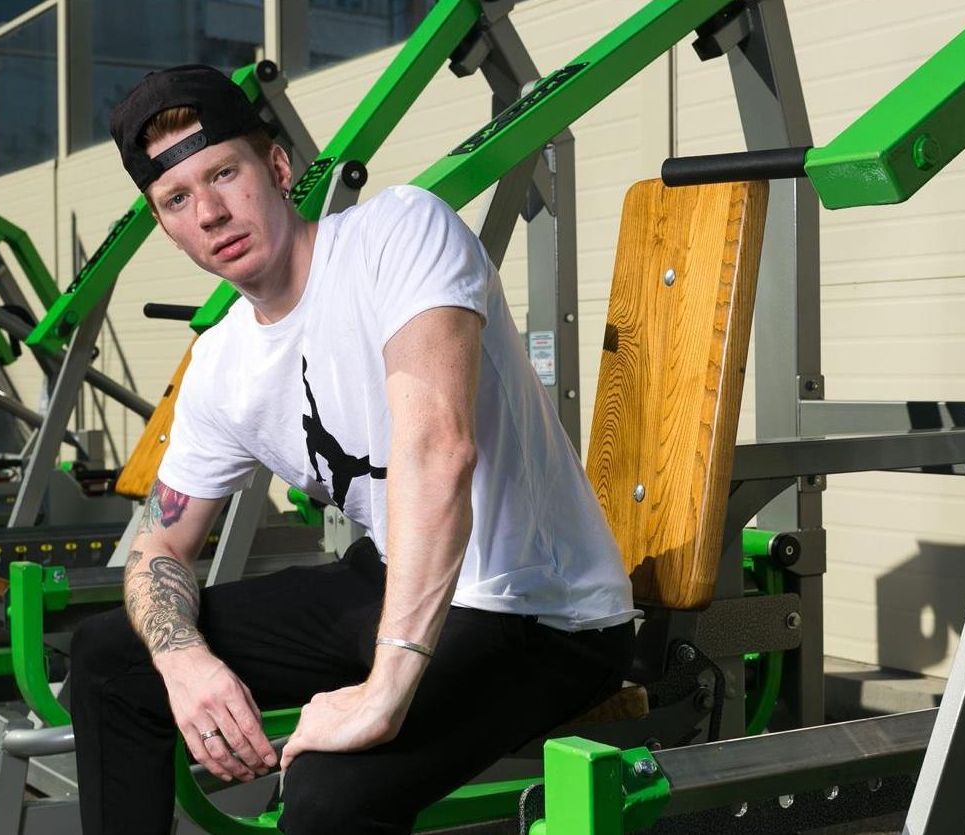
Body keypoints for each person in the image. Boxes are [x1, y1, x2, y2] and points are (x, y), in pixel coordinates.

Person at [69, 64, 641, 835]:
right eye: (176, 199)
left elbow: (439, 449)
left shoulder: (398, 232)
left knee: (325, 792)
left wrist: (383, 692)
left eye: (224, 173)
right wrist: (184, 660)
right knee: (108, 657)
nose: (208, 212)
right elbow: (158, 543)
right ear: (164, 225)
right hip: (388, 579)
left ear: (277, 168)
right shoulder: (220, 361)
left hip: (540, 611)